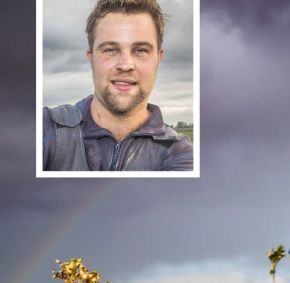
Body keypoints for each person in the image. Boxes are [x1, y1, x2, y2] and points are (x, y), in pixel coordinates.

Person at [43, 0, 192, 171]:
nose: (125, 65)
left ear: (158, 58)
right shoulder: (45, 129)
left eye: (140, 50)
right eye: (111, 50)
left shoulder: (181, 155)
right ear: (91, 57)